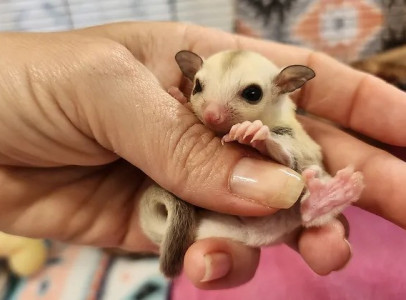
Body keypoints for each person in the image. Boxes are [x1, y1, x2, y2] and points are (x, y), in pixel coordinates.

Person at [0, 22, 404, 290]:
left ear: (285, 87)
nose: (212, 112)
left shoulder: (279, 122)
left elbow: (296, 160)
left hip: (277, 210)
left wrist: (265, 143)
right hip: (227, 219)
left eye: (249, 94)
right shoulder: (202, 123)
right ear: (191, 77)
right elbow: (184, 148)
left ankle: (318, 203)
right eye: (199, 89)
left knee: (301, 164)